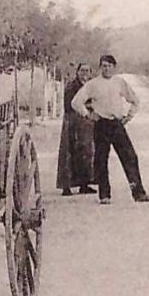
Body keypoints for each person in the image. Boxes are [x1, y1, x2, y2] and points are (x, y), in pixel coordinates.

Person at [71, 55, 149, 204]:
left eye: (109, 65)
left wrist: (128, 117)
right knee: (101, 159)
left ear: (114, 67)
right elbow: (76, 102)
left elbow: (135, 100)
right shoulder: (92, 84)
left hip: (117, 124)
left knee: (130, 157)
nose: (106, 68)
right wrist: (88, 115)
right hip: (101, 125)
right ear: (100, 67)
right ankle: (104, 195)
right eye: (104, 65)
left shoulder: (119, 82)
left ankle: (138, 193)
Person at [57, 63, 96, 196]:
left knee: (85, 152)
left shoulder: (90, 87)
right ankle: (66, 187)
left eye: (87, 70)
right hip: (72, 123)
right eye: (82, 70)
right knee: (68, 152)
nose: (84, 73)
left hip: (85, 124)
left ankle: (84, 184)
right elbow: (70, 104)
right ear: (77, 72)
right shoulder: (71, 86)